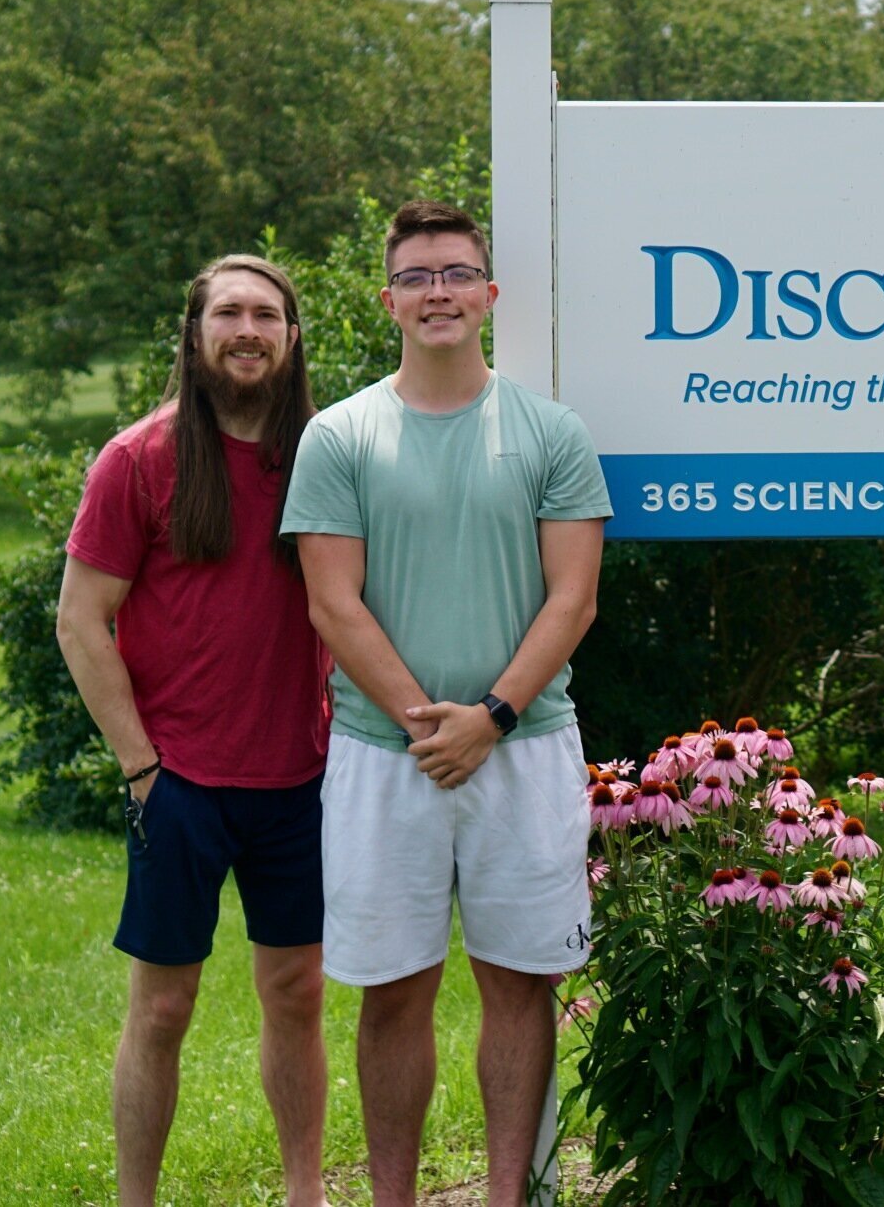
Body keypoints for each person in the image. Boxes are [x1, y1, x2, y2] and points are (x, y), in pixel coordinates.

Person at [281, 200, 611, 1207]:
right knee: (394, 992)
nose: (439, 293)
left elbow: (573, 597)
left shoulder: (551, 432)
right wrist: (432, 726)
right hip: (385, 758)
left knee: (519, 983)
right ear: (388, 301)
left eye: (457, 273)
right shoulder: (340, 435)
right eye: (417, 277)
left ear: (489, 294)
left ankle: (506, 1194)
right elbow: (332, 602)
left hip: (526, 747)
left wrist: (491, 718)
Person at [57, 255, 330, 1207]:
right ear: (196, 332)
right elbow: (81, 621)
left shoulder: (326, 457)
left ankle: (306, 1193)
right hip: (179, 784)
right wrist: (142, 768)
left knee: (297, 993)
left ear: (292, 336)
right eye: (229, 313)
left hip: (302, 778)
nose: (248, 330)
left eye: (267, 314)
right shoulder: (140, 459)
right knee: (164, 1005)